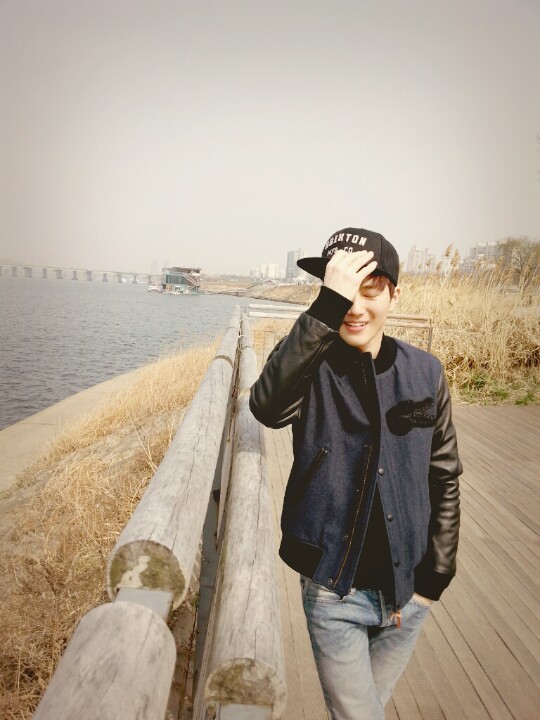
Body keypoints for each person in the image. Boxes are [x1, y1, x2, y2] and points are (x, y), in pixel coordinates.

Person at [249, 228, 462, 720]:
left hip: (409, 593)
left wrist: (436, 575)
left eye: (370, 292)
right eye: (343, 292)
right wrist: (326, 306)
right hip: (333, 590)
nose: (355, 308)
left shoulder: (425, 372)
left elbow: (445, 476)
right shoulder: (309, 363)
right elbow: (267, 406)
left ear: (394, 295)